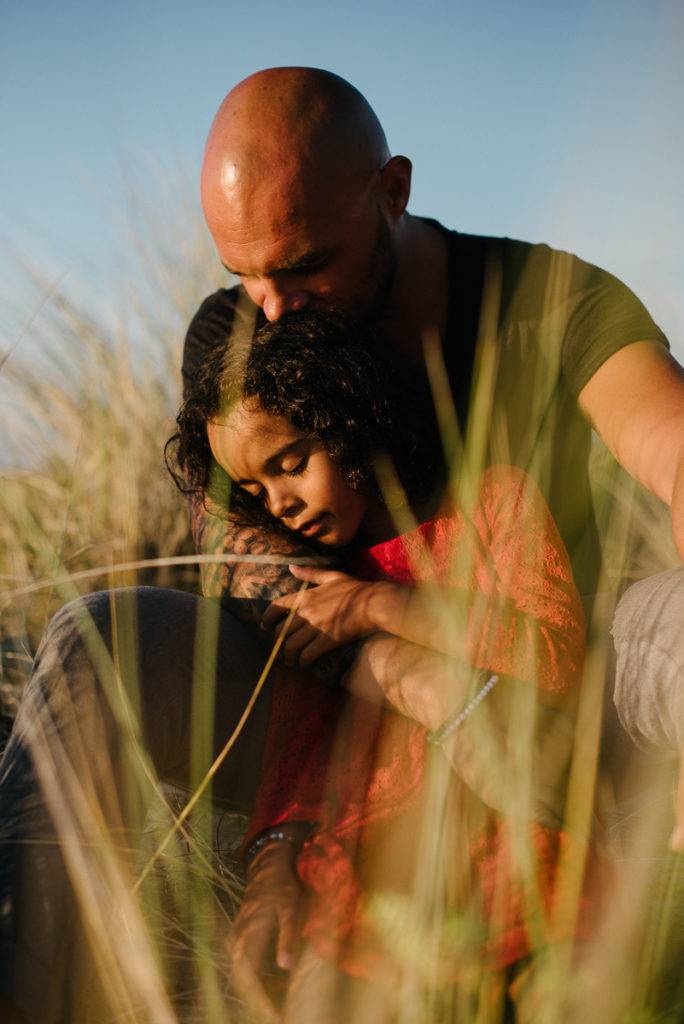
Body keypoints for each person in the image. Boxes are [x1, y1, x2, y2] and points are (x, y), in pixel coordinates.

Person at [183, 64, 683, 995]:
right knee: (90, 644)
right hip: (337, 719)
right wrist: (423, 684)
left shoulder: (548, 298)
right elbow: (238, 561)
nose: (271, 308)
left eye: (300, 264)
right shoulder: (244, 329)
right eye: (242, 274)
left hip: (563, 692)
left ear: (394, 189)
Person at [171, 308, 592, 1019]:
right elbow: (302, 741)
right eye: (255, 491)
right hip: (359, 858)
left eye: (292, 463)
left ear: (350, 418)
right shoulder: (316, 590)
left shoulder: (492, 501)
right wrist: (274, 864)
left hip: (507, 822)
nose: (282, 504)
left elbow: (554, 658)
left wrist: (378, 609)